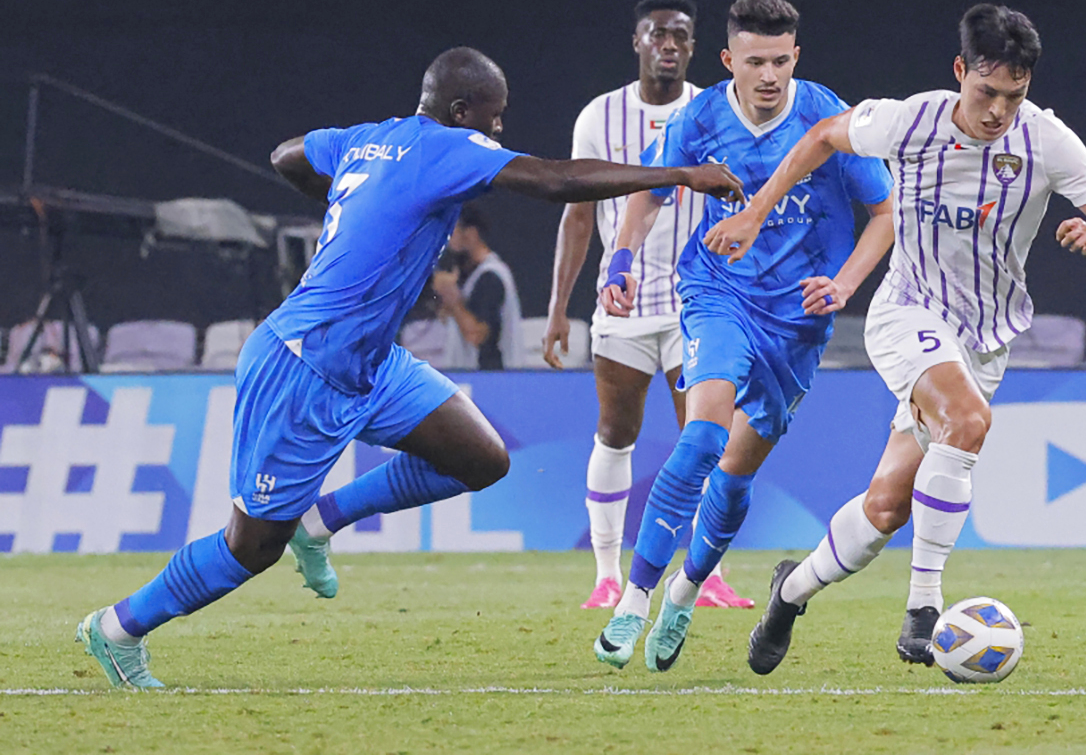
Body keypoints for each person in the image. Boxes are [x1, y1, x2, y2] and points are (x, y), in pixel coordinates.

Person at [74, 46, 744, 689]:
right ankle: (118, 628)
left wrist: (357, 208)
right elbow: (551, 180)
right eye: (493, 117)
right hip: (303, 366)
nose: (498, 130)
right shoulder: (447, 148)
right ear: (460, 111)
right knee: (249, 547)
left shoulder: (369, 140)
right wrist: (678, 175)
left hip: (370, 362)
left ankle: (320, 521)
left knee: (480, 458)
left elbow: (286, 155)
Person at [719, 4, 1086, 675]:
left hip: (985, 339)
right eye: (987, 92)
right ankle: (924, 609)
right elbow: (824, 135)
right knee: (969, 421)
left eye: (1014, 96)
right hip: (908, 311)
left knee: (887, 507)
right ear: (959, 71)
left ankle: (790, 592)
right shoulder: (909, 120)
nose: (998, 111)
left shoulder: (1047, 141)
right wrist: (756, 210)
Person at [592, 0, 895, 672]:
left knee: (734, 474)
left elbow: (885, 213)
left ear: (796, 57)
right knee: (702, 436)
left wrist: (845, 284)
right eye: (755, 62)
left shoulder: (827, 116)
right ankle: (633, 601)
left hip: (798, 322)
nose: (769, 76)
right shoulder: (700, 118)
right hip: (718, 293)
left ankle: (684, 592)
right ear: (729, 59)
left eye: (780, 61)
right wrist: (621, 260)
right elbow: (649, 190)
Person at [543, 0, 752, 610]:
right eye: (658, 33)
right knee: (615, 433)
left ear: (694, 47)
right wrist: (558, 307)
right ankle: (607, 574)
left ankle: (707, 575)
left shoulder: (716, 110)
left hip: (699, 301)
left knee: (706, 437)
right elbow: (578, 215)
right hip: (624, 303)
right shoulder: (599, 116)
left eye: (680, 35)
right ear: (637, 41)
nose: (668, 44)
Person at [437, 204, 522, 370]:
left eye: (452, 232)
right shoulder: (469, 277)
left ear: (470, 234)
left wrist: (452, 299)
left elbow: (476, 335)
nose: (448, 242)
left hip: (493, 376)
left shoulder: (491, 277)